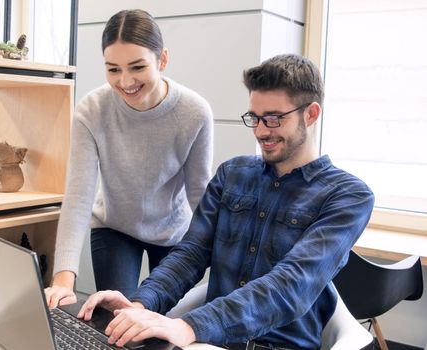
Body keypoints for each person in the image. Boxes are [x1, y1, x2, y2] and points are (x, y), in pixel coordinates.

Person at [76, 54, 375, 350]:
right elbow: (191, 254)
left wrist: (189, 326)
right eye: (254, 118)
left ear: (310, 114)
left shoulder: (348, 197)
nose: (260, 131)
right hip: (208, 341)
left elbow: (291, 285)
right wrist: (141, 304)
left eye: (273, 118)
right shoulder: (232, 174)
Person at [45, 9, 214, 308]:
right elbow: (79, 196)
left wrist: (220, 259)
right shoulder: (91, 110)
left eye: (137, 67)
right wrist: (63, 279)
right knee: (117, 321)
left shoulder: (194, 112)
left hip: (173, 231)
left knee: (163, 323)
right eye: (113, 69)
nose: (125, 81)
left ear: (162, 59)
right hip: (115, 227)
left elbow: (199, 193)